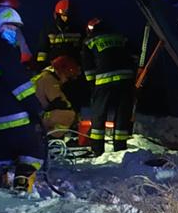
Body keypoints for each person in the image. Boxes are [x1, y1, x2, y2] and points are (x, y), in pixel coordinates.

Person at [0, 5, 46, 191]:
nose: (13, 33)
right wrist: (36, 107)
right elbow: (18, 83)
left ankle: (0, 186)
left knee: (0, 156)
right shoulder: (4, 51)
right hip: (17, 119)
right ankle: (22, 189)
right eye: (11, 28)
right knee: (31, 153)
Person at [80, 17, 137, 154]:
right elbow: (134, 55)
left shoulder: (89, 41)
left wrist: (92, 84)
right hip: (126, 79)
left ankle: (97, 150)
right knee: (122, 113)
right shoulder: (120, 37)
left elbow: (88, 67)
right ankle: (120, 148)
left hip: (104, 81)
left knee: (99, 114)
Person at [35, 55, 82, 133]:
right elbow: (60, 102)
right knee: (69, 115)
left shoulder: (44, 76)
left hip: (35, 114)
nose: (67, 81)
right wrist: (76, 117)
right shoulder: (49, 79)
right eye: (69, 77)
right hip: (37, 118)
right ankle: (54, 136)